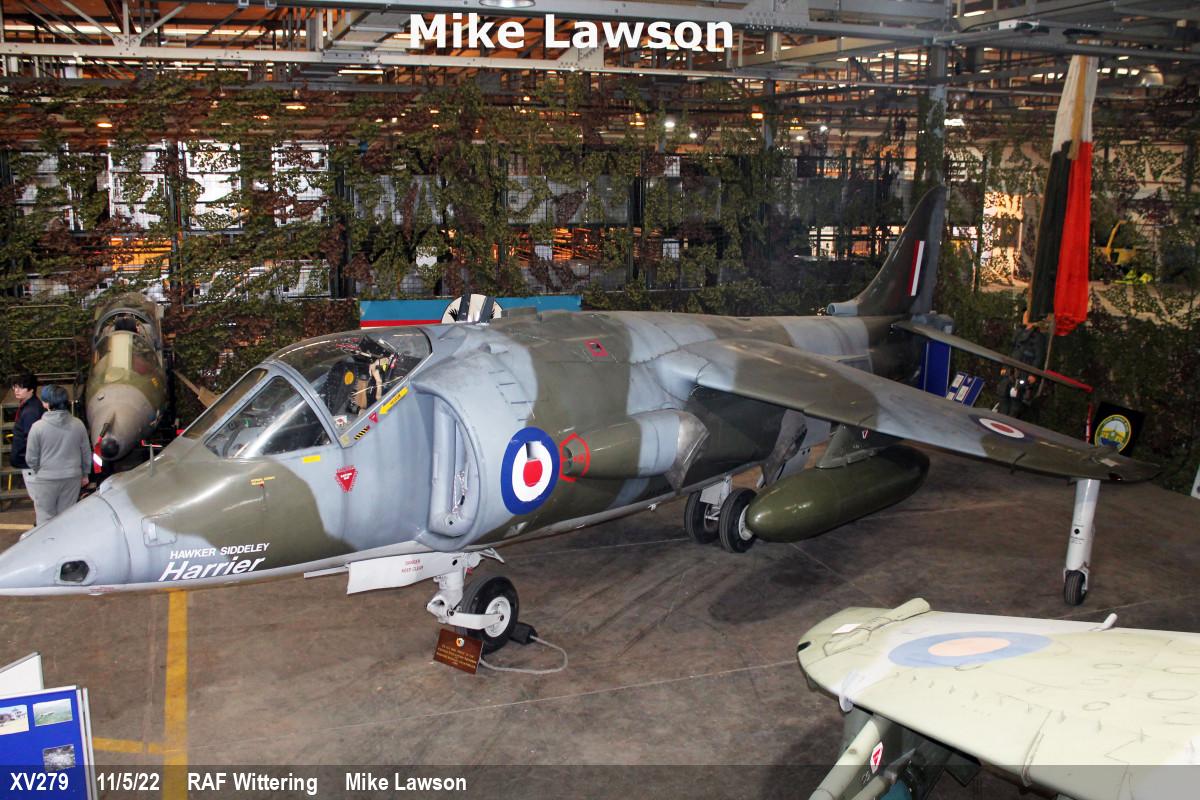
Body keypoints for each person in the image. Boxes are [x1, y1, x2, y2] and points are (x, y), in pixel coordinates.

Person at [26, 385, 91, 526]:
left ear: (46, 404)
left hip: (46, 479)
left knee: (45, 519)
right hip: (72, 478)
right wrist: (85, 473)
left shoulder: (37, 427)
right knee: (66, 518)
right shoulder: (78, 424)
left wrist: (40, 470)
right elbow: (86, 452)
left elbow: (31, 458)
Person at [9, 372, 44, 484]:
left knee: (36, 493)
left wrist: (29, 460)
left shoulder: (31, 411)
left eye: (21, 387)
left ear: (31, 389)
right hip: (26, 461)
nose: (16, 390)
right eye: (15, 387)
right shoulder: (27, 404)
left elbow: (31, 439)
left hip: (29, 464)